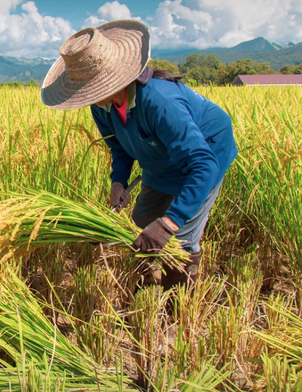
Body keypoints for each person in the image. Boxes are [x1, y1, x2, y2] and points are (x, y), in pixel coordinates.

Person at [40, 20, 238, 290]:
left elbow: (203, 166)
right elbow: (119, 146)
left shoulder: (159, 103)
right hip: (160, 158)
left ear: (113, 79)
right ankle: (146, 286)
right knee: (142, 222)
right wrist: (118, 182)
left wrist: (169, 223)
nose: (87, 97)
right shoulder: (101, 105)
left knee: (179, 238)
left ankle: (175, 310)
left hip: (207, 153)